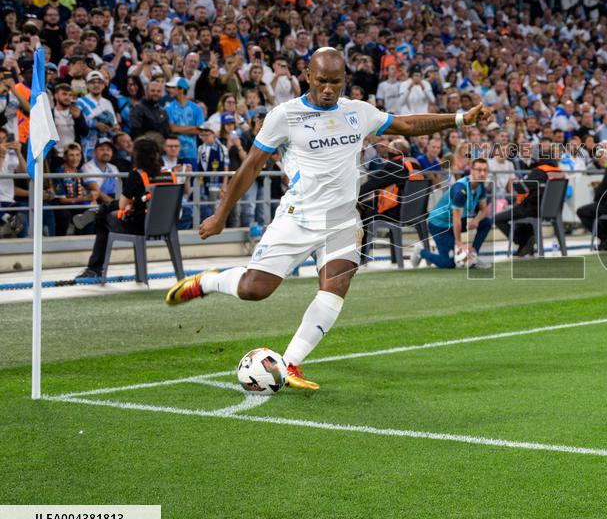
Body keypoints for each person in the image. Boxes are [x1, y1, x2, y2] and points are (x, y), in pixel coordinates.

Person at [164, 48, 493, 390]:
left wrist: (460, 119)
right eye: (321, 81)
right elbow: (251, 166)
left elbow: (407, 125)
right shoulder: (285, 115)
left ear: (344, 81)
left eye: (335, 82)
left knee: (336, 286)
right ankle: (207, 282)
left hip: (342, 220)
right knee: (254, 289)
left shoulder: (358, 112)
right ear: (307, 76)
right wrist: (220, 215)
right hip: (297, 219)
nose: (327, 89)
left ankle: (290, 363)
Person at [77, 138, 177, 279]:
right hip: (167, 225)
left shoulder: (137, 175)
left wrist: (131, 204)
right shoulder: (171, 175)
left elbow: (122, 205)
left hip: (141, 227)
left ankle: (94, 269)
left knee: (104, 218)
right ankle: (100, 209)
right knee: (118, 208)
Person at [412, 157, 493, 269]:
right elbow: (456, 219)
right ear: (471, 170)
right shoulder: (460, 189)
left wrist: (477, 220)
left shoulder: (480, 186)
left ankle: (473, 255)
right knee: (448, 263)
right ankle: (420, 251)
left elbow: (484, 210)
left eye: (485, 170)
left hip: (456, 221)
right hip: (439, 225)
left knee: (486, 222)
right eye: (479, 170)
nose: (482, 173)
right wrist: (459, 243)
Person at [357, 138, 424, 257]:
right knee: (368, 203)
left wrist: (356, 196)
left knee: (365, 211)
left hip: (397, 213)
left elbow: (373, 183)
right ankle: (394, 256)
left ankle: (362, 255)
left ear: (395, 152)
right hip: (417, 212)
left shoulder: (395, 166)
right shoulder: (416, 164)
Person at [494, 147, 565, 256]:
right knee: (521, 216)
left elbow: (522, 188)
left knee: (498, 218)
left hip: (533, 209)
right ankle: (526, 245)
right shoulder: (559, 172)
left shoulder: (540, 171)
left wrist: (516, 183)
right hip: (553, 210)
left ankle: (522, 241)